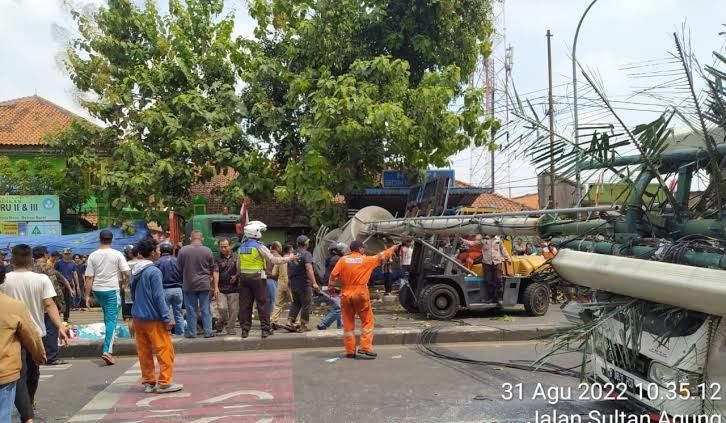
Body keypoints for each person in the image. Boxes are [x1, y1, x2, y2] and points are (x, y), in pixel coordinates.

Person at [1, 244, 69, 422]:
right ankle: (28, 410)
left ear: (13, 260)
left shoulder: (4, 280)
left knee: (21, 375)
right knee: (32, 372)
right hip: (35, 333)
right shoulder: (41, 279)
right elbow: (49, 304)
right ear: (31, 259)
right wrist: (60, 326)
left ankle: (27, 408)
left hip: (12, 334)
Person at [129, 238, 182, 394]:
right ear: (152, 252)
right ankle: (165, 382)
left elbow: (132, 294)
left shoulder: (135, 270)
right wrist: (167, 317)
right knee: (165, 349)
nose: (159, 252)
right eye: (158, 250)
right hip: (153, 317)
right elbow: (159, 297)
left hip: (138, 317)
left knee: (144, 351)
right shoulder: (154, 271)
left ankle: (148, 382)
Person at [329, 241, 398, 359]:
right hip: (360, 293)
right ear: (359, 249)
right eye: (363, 248)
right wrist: (393, 248)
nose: (364, 250)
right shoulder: (366, 260)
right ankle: (365, 348)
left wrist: (331, 287)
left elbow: (333, 276)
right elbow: (382, 255)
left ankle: (350, 351)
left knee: (348, 323)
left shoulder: (343, 260)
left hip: (345, 294)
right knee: (367, 321)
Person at [0, 267, 46, 423]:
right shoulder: (14, 306)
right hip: (4, 370)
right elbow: (31, 336)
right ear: (2, 280)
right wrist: (38, 355)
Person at [238, 221, 293, 339]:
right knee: (263, 303)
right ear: (256, 232)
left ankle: (245, 330)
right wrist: (288, 258)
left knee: (245, 305)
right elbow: (273, 260)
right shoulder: (259, 246)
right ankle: (265, 330)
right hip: (258, 278)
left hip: (244, 278)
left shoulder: (241, 247)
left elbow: (238, 264)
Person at [85, 230, 131, 365]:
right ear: (112, 240)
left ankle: (109, 342)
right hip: (111, 290)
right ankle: (107, 350)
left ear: (99, 239)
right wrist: (123, 282)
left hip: (97, 290)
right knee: (112, 321)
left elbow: (88, 277)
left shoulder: (93, 255)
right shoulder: (117, 254)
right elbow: (127, 272)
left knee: (107, 318)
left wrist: (87, 296)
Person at [32, 246, 68, 366]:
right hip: (48, 302)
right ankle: (51, 356)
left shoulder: (29, 268)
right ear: (44, 255)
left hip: (33, 303)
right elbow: (55, 287)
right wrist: (61, 304)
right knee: (51, 329)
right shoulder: (47, 268)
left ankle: (39, 355)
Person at [177, 231, 216, 339]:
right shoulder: (208, 251)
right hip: (204, 284)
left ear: (191, 238)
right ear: (202, 238)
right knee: (205, 309)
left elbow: (178, 268)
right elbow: (212, 267)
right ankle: (208, 332)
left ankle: (192, 332)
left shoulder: (183, 250)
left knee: (191, 310)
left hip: (189, 284)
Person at [284, 235, 320, 333]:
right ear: (306, 244)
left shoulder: (292, 254)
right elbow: (309, 268)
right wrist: (314, 283)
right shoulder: (306, 254)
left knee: (296, 303)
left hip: (294, 283)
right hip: (304, 283)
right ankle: (303, 325)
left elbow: (288, 267)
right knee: (306, 304)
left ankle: (289, 322)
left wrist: (289, 280)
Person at [460, 235, 511, 303]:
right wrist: (463, 240)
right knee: (488, 280)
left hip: (497, 262)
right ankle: (491, 298)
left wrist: (508, 258)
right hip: (487, 263)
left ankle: (499, 298)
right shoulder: (483, 239)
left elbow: (503, 249)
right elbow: (473, 243)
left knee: (498, 280)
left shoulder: (498, 239)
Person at [155, 242, 184, 336]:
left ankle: (167, 333)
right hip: (178, 290)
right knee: (178, 313)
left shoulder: (158, 262)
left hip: (164, 290)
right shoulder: (177, 261)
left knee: (165, 312)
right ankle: (180, 333)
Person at [213, 238, 239, 335]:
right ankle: (223, 321)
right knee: (222, 308)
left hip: (234, 288)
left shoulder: (236, 257)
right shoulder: (216, 258)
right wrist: (215, 287)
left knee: (233, 309)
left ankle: (230, 328)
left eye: (225, 247)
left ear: (230, 246)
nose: (223, 249)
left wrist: (236, 276)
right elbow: (216, 272)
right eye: (221, 247)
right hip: (221, 288)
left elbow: (240, 270)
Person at [317, 243, 345, 330]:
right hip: (333, 287)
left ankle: (341, 326)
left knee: (340, 306)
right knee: (338, 307)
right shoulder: (338, 259)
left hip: (329, 285)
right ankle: (323, 324)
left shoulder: (330, 259)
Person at [270, 244, 294, 330]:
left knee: (278, 304)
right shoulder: (293, 259)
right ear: (290, 250)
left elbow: (273, 273)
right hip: (290, 283)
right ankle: (295, 322)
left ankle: (274, 321)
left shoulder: (280, 260)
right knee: (295, 303)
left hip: (280, 283)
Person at [54, 248, 78, 320]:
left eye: (69, 254)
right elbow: (54, 273)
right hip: (60, 285)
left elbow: (75, 274)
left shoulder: (72, 263)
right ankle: (57, 317)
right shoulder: (58, 263)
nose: (67, 255)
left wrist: (77, 286)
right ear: (63, 254)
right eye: (66, 254)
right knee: (59, 301)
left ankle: (66, 318)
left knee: (67, 301)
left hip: (69, 284)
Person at [122, 245, 140, 321]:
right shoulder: (141, 263)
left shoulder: (125, 264)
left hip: (128, 292)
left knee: (129, 317)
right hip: (140, 292)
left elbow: (124, 278)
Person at [266, 242, 283, 317]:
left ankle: (267, 319)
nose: (281, 248)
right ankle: (274, 320)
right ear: (277, 248)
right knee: (275, 301)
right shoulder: (278, 257)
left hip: (264, 280)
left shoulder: (266, 255)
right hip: (273, 280)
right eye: (280, 246)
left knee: (267, 301)